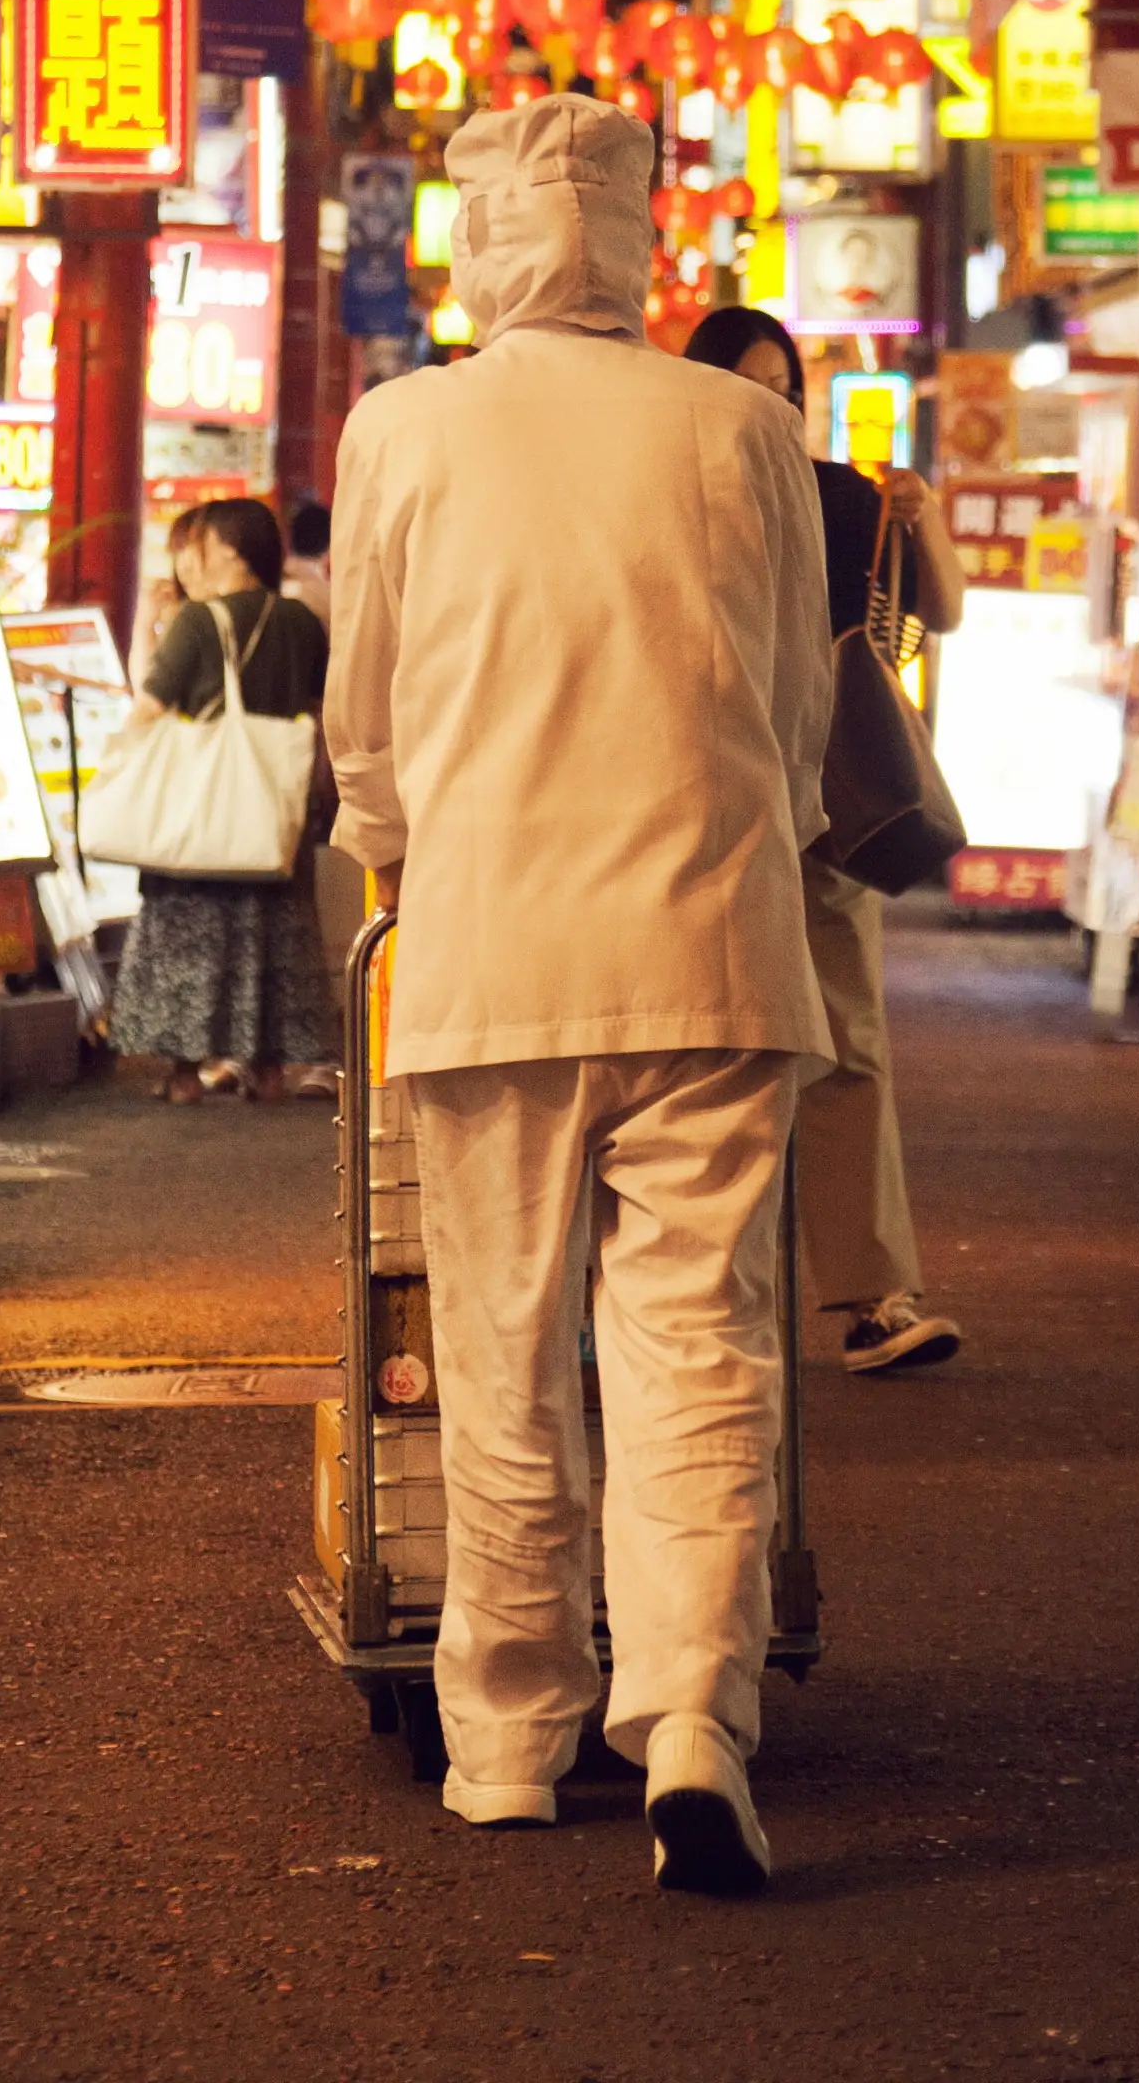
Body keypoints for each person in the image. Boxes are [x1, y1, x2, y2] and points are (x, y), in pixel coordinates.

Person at [327, 93, 833, 1894]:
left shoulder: (405, 428)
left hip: (490, 952)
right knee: (700, 1350)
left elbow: (364, 730)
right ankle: (693, 1716)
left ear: (479, 245)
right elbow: (796, 708)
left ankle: (508, 1741)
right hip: (714, 949)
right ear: (638, 243)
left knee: (503, 1350)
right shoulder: (746, 423)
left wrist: (405, 840)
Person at [682, 304, 967, 1375]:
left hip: (826, 806)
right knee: (695, 1049)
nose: (772, 406)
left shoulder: (844, 498)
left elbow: (938, 612)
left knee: (848, 1048)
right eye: (748, 384)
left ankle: (872, 1296)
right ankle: (694, 1297)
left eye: (786, 390)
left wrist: (922, 516)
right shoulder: (664, 498)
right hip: (695, 802)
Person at [107, 498, 340, 1105]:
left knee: (192, 936)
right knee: (270, 936)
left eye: (197, 548)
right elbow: (321, 704)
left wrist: (144, 629)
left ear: (230, 551)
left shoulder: (198, 623)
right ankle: (266, 1069)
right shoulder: (300, 622)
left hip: (203, 810)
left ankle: (185, 1072)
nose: (186, 563)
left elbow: (149, 707)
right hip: (274, 808)